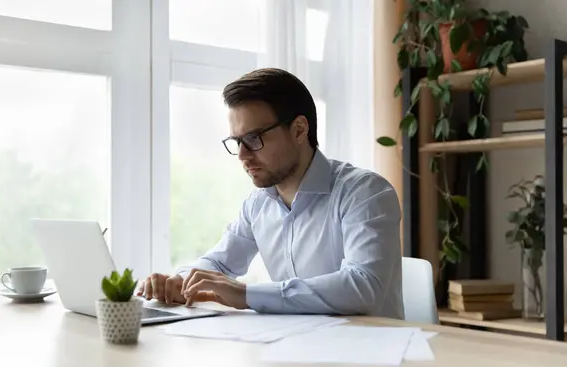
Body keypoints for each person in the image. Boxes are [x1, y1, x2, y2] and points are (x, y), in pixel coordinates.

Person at [137, 68, 404, 319]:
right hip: (298, 350)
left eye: (253, 138)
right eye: (237, 142)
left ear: (299, 129)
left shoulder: (365, 193)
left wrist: (245, 295)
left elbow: (363, 286)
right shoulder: (258, 204)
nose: (242, 155)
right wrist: (179, 280)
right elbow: (220, 262)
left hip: (371, 356)